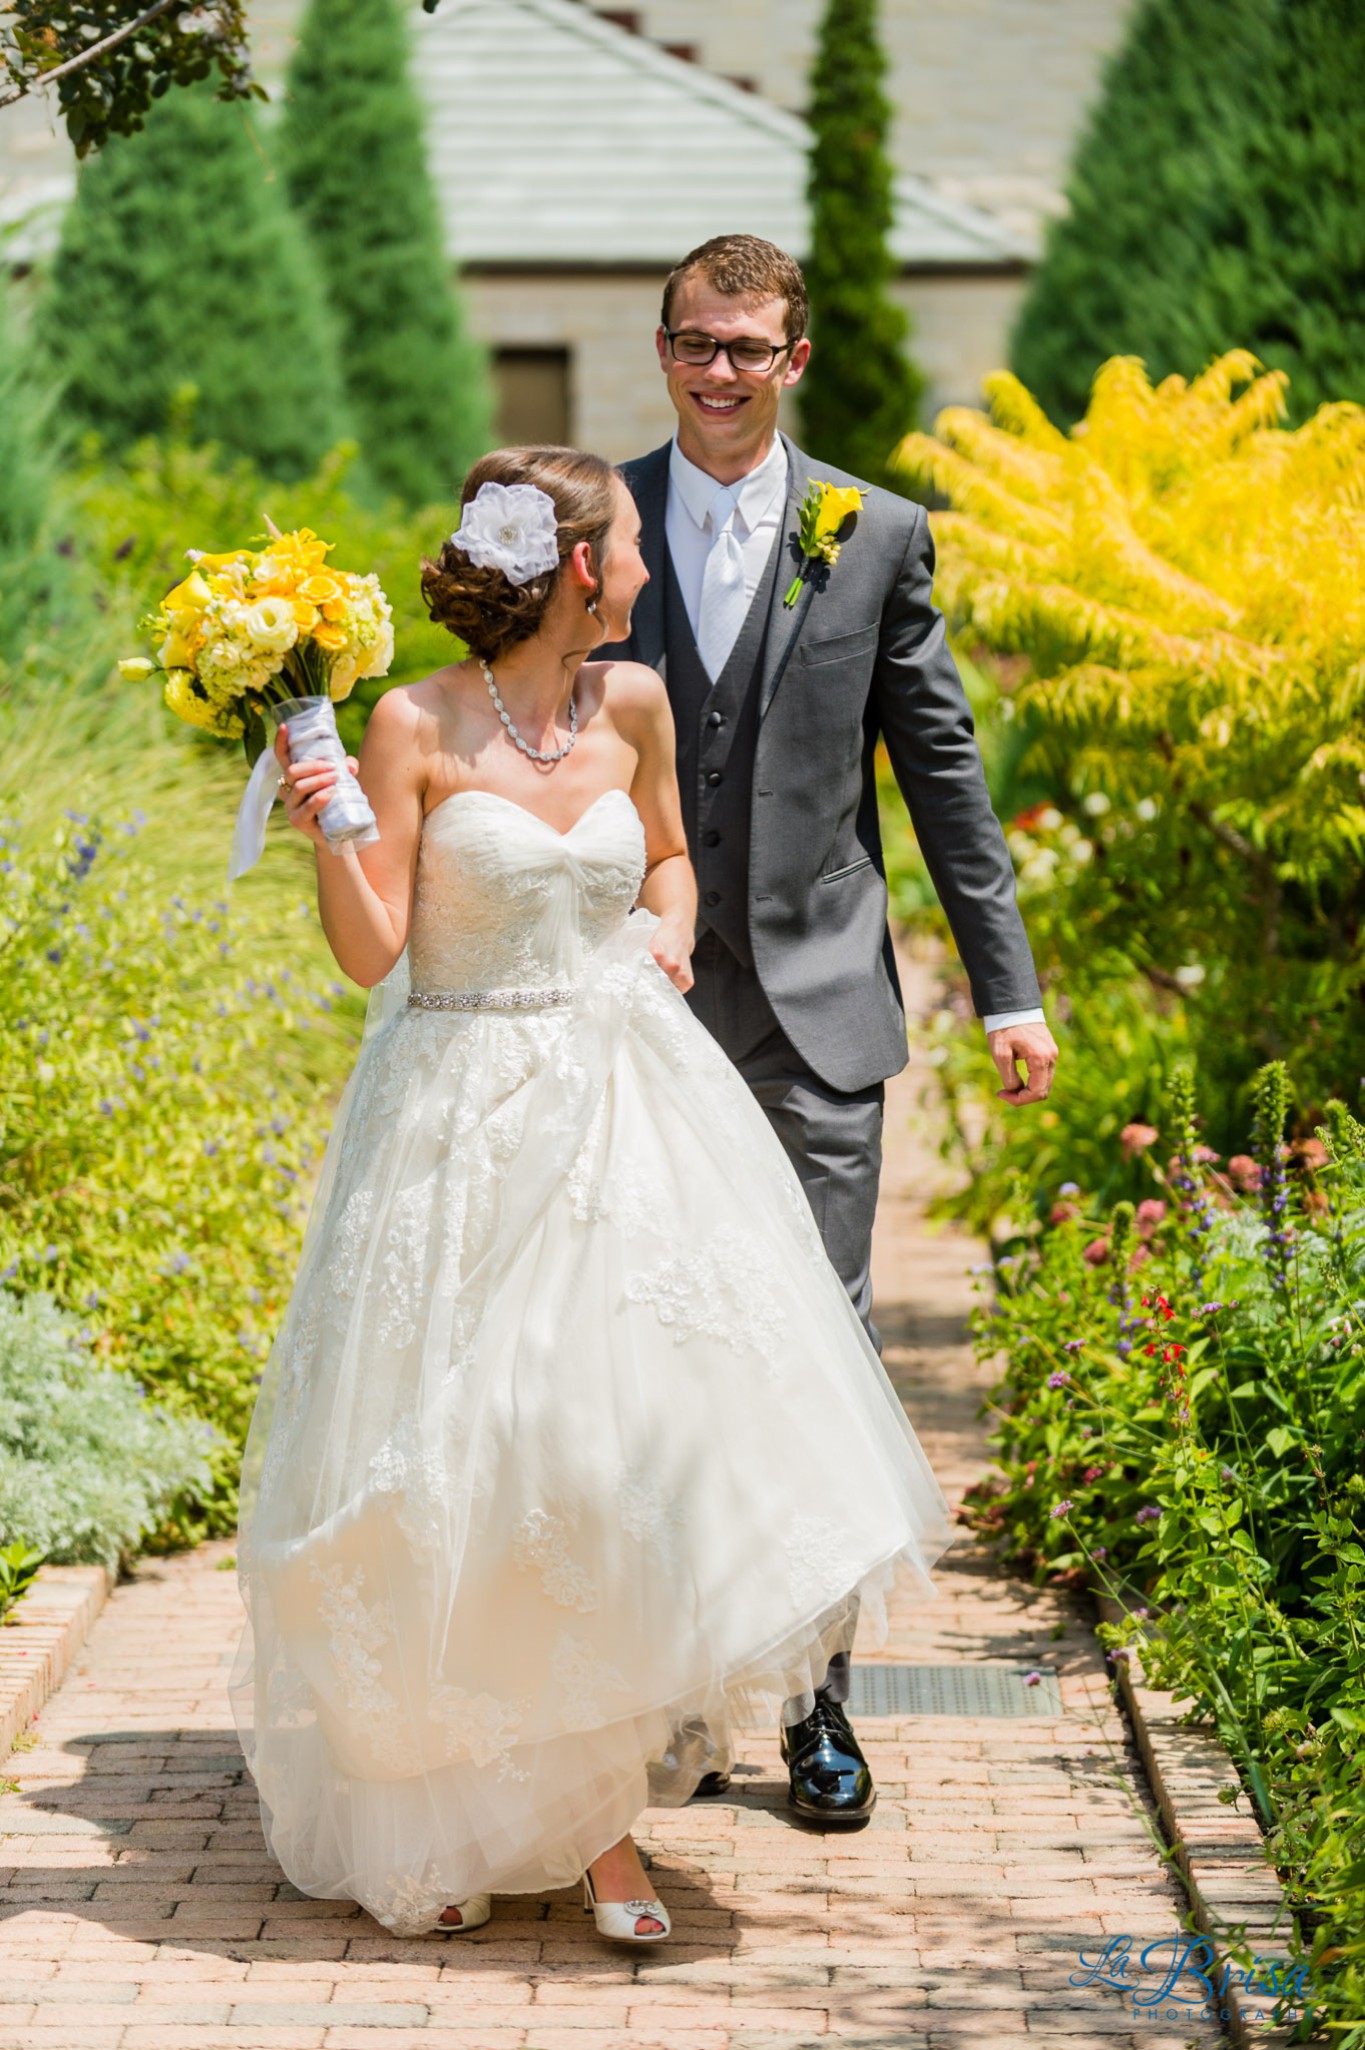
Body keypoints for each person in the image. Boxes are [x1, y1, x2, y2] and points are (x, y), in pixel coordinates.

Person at [230, 444, 953, 1946]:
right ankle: (449, 1793)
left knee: (603, 1460)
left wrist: (664, 937)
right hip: (455, 1127)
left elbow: (672, 861)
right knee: (460, 1473)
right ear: (574, 567)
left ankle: (604, 1829)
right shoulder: (408, 720)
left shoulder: (627, 705)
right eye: (623, 544)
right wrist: (328, 825)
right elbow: (372, 955)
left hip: (621, 1106)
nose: (640, 566)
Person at [598, 234, 1057, 1826]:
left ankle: (815, 1705)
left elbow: (942, 773)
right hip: (630, 1013)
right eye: (692, 342)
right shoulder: (591, 521)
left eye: (746, 347)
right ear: (660, 348)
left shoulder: (875, 536)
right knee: (642, 1352)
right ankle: (668, 1699)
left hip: (814, 1019)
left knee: (821, 1346)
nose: (716, 371)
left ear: (794, 360)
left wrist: (1005, 983)